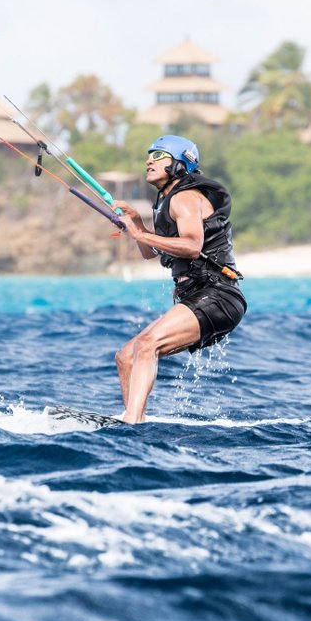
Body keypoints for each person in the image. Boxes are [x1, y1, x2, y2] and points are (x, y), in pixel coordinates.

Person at [113, 135, 246, 424]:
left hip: (218, 295)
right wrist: (137, 223)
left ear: (180, 163)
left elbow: (192, 246)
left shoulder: (186, 198)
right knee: (126, 356)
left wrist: (139, 234)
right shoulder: (166, 202)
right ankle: (134, 420)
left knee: (147, 344)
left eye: (159, 155)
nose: (149, 160)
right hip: (199, 296)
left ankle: (132, 420)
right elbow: (150, 252)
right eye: (149, 154)